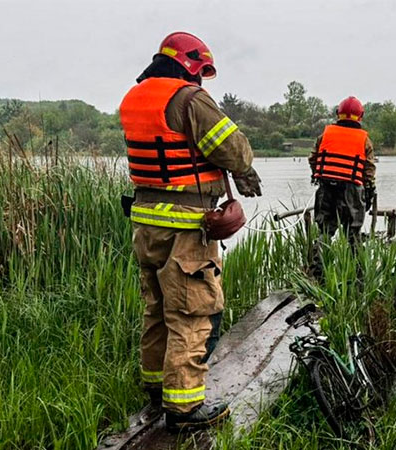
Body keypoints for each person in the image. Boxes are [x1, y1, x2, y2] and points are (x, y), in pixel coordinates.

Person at [119, 31, 262, 432]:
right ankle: (183, 408)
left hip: (146, 223)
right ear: (191, 65)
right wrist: (243, 168)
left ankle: (156, 388)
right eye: (201, 72)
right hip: (185, 228)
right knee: (191, 313)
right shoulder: (190, 99)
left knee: (157, 309)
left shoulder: (135, 98)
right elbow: (235, 151)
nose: (201, 80)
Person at [308, 97, 376, 275]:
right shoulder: (364, 140)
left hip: (326, 188)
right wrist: (369, 191)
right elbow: (369, 170)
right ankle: (358, 275)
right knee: (353, 234)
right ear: (360, 116)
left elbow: (313, 159)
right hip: (352, 191)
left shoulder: (325, 136)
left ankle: (317, 273)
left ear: (338, 114)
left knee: (324, 231)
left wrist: (319, 174)